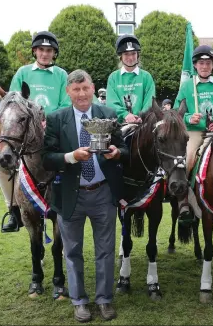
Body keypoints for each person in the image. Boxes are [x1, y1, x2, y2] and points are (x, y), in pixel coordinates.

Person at [43, 69, 129, 323]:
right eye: (76, 89)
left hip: (103, 193)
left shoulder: (108, 114)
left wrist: (116, 152)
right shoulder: (57, 119)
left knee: (105, 250)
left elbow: (124, 147)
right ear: (68, 92)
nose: (82, 94)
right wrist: (71, 157)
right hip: (71, 196)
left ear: (93, 89)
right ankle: (79, 301)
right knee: (73, 251)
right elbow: (46, 158)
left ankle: (104, 299)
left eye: (86, 88)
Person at [0, 31, 71, 233]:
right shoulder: (22, 72)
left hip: (54, 131)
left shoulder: (62, 75)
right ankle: (13, 210)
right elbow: (12, 101)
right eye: (41, 50)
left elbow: (66, 104)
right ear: (35, 51)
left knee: (72, 159)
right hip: (26, 133)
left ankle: (73, 203)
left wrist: (49, 120)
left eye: (49, 50)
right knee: (2, 164)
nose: (45, 54)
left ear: (54, 53)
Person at [173, 45, 213, 220]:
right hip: (195, 133)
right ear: (195, 65)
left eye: (208, 63)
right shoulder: (187, 86)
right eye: (201, 63)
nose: (205, 66)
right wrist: (188, 118)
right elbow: (176, 111)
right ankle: (184, 201)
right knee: (187, 159)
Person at [106, 34, 156, 123]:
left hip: (142, 124)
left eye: (133, 53)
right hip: (120, 125)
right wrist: (125, 115)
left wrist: (141, 116)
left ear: (138, 55)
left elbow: (150, 101)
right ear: (120, 56)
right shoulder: (113, 77)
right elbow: (111, 103)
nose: (130, 57)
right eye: (126, 54)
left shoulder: (146, 77)